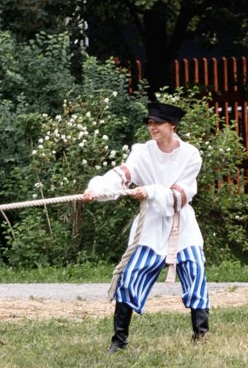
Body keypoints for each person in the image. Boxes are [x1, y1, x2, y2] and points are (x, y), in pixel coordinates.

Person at [84, 100, 209, 351]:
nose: (152, 128)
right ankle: (119, 341)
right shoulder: (142, 151)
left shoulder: (190, 155)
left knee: (195, 272)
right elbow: (123, 174)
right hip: (151, 226)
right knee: (131, 277)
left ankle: (201, 335)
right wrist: (97, 189)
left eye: (158, 123)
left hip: (182, 226)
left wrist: (150, 191)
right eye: (150, 123)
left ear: (172, 126)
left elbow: (181, 195)